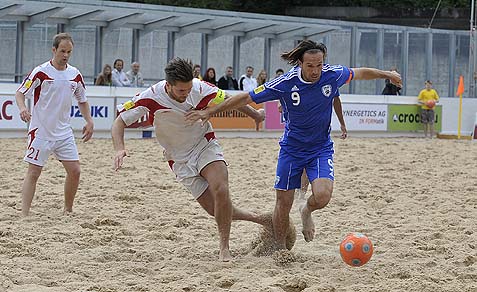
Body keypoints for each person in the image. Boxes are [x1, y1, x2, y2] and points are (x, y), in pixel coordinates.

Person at [185, 40, 402, 250]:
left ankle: (306, 211)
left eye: (319, 65)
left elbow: (360, 72)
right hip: (291, 149)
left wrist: (387, 74)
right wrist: (211, 111)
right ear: (300, 63)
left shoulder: (332, 74)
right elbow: (246, 97)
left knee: (323, 196)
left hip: (320, 147)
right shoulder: (284, 83)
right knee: (283, 202)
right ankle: (279, 248)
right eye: (310, 66)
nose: (316, 70)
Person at [111, 58, 267, 262]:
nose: (186, 94)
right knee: (215, 210)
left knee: (221, 188)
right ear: (168, 86)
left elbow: (229, 99)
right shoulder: (151, 96)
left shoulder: (199, 88)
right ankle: (260, 219)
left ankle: (224, 248)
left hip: (204, 145)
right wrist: (119, 148)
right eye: (180, 91)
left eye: (188, 89)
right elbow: (119, 122)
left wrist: (255, 115)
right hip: (178, 159)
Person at [15, 33, 94, 216]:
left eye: (69, 52)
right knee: (34, 173)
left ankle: (68, 210)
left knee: (75, 171)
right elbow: (20, 93)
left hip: (64, 133)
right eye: (62, 51)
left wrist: (89, 120)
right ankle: (24, 214)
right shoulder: (41, 71)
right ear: (54, 50)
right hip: (40, 131)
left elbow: (82, 100)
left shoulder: (75, 74)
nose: (65, 55)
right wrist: (22, 108)